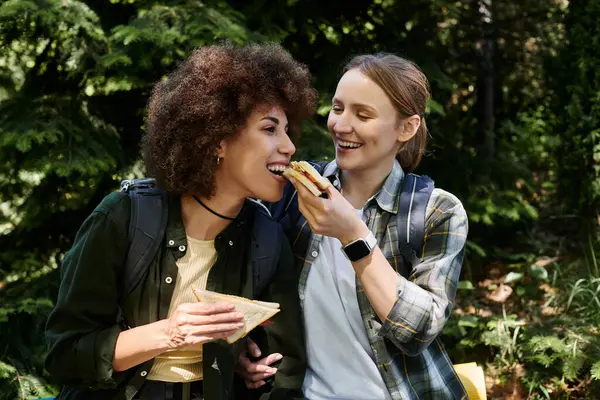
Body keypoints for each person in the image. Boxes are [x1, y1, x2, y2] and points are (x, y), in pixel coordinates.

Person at [44, 42, 317, 400]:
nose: (289, 146)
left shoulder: (267, 238)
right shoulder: (122, 217)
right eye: (269, 129)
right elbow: (64, 356)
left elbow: (284, 371)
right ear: (217, 140)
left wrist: (250, 369)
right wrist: (171, 332)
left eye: (286, 130)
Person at [237, 53, 469, 399]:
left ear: (407, 127)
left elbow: (419, 331)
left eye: (363, 114)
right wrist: (241, 351)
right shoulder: (293, 192)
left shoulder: (437, 211)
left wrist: (353, 236)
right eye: (338, 108)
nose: (341, 125)